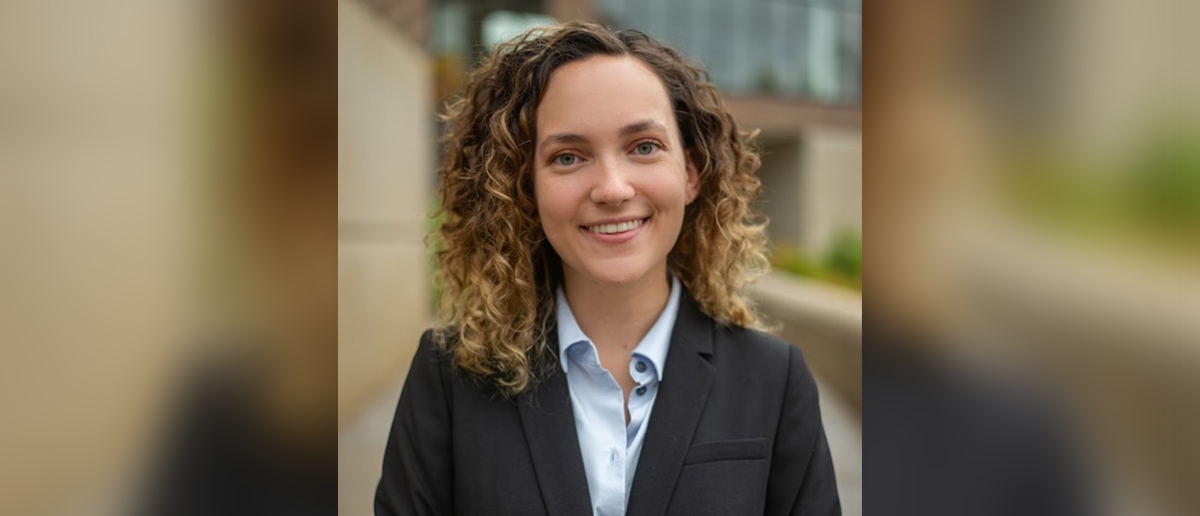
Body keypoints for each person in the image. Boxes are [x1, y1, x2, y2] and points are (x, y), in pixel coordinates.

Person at [375, 21, 840, 516]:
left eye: (643, 146)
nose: (613, 189)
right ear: (525, 188)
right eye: (568, 157)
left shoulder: (773, 380)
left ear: (690, 172)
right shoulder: (449, 377)